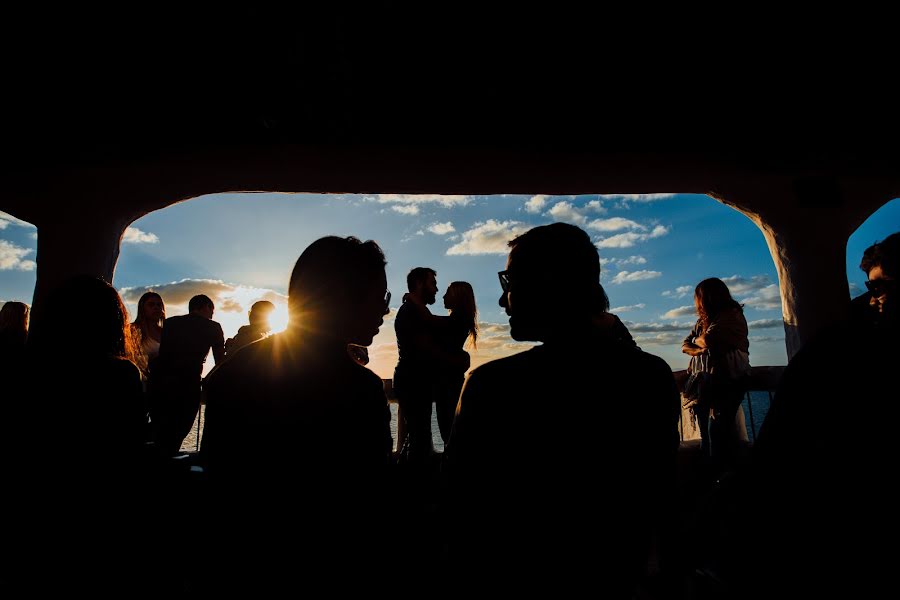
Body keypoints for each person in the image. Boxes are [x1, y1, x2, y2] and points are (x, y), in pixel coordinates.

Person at [444, 223, 680, 595]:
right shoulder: (652, 376)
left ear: (546, 281)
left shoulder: (492, 387)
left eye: (509, 282)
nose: (504, 300)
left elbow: (459, 516)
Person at [705, 232, 899, 598]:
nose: (876, 297)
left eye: (885, 286)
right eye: (873, 288)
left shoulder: (838, 349)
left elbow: (707, 342)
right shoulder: (841, 344)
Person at [200, 236, 392, 591]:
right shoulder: (360, 390)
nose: (385, 309)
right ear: (341, 298)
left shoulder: (234, 370)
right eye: (381, 297)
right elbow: (369, 503)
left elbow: (219, 478)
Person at [393, 268, 469, 464]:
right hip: (413, 383)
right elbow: (428, 350)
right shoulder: (411, 311)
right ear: (420, 284)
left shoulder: (417, 310)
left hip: (420, 383)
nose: (437, 290)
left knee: (421, 438)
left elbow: (432, 327)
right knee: (420, 439)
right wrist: (459, 359)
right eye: (433, 284)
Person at [680, 277, 751, 477]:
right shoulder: (702, 321)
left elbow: (708, 339)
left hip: (729, 379)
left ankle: (723, 476)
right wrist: (698, 349)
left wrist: (700, 341)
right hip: (706, 380)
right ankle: (712, 474)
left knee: (719, 430)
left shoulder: (731, 315)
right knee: (707, 432)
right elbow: (685, 344)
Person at [150, 294, 225, 456]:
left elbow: (164, 354)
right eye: (212, 310)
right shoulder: (213, 327)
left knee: (160, 435)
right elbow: (220, 362)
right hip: (187, 386)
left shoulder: (170, 323)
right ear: (206, 307)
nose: (212, 315)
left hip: (159, 385)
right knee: (176, 436)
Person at [432, 281, 478, 443]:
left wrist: (414, 302)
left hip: (448, 385)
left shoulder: (457, 320)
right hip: (450, 382)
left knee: (449, 433)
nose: (443, 296)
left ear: (457, 297)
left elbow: (429, 320)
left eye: (448, 293)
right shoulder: (460, 320)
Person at [128, 291, 165, 386]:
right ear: (142, 308)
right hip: (137, 383)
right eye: (151, 304)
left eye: (159, 304)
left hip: (161, 385)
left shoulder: (166, 332)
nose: (156, 307)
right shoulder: (132, 330)